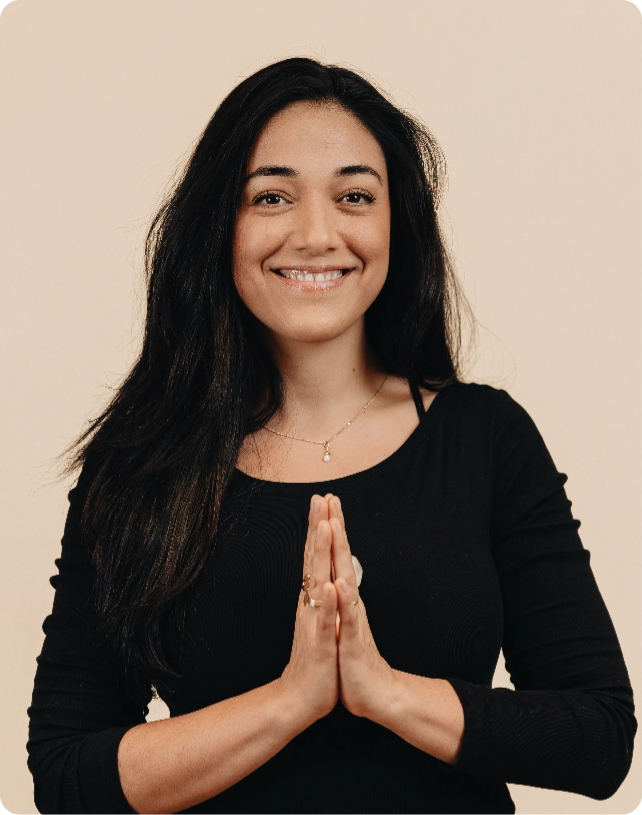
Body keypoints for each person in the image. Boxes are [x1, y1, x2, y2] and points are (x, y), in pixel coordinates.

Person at [27, 57, 635, 815]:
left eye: (354, 196)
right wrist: (292, 700)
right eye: (273, 196)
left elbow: (598, 737)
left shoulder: (485, 438)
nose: (317, 234)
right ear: (221, 225)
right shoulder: (142, 457)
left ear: (394, 223)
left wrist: (383, 692)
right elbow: (64, 772)